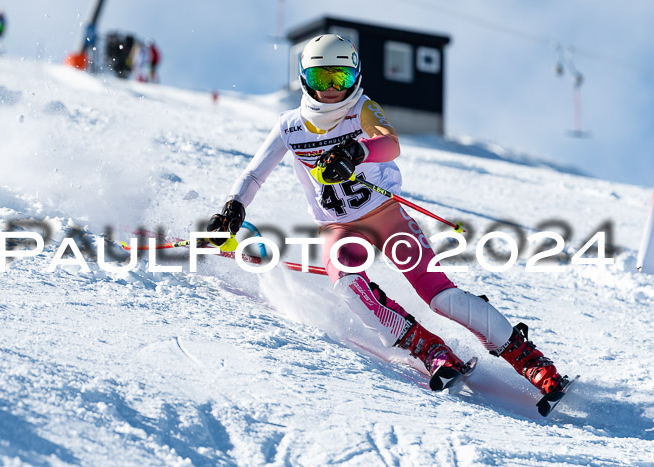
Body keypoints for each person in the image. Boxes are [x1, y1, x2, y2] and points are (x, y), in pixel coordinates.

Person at [207, 34, 570, 396]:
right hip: (338, 228)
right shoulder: (290, 126)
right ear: (304, 79)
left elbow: (389, 142)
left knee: (442, 298)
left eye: (341, 78)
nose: (332, 90)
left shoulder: (361, 108)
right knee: (348, 284)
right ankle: (431, 351)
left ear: (356, 76)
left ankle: (532, 361)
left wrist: (356, 152)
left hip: (385, 216)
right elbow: (255, 173)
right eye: (322, 79)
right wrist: (234, 205)